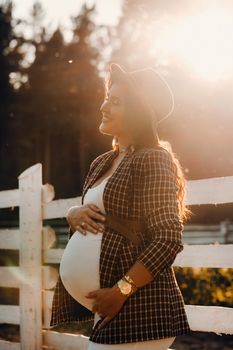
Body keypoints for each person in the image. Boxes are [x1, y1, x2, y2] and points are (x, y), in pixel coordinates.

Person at [50, 62, 192, 349]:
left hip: (139, 306)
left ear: (139, 113)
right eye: (106, 97)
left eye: (116, 102)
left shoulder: (152, 158)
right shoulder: (101, 162)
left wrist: (121, 290)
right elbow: (96, 223)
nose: (104, 107)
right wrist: (72, 214)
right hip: (109, 308)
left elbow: (167, 239)